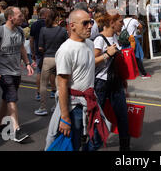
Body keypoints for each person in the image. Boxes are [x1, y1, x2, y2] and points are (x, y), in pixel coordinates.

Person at [45, 9, 114, 151]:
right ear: (72, 26)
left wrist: (107, 55)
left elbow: (88, 64)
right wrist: (65, 117)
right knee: (73, 144)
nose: (90, 26)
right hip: (73, 106)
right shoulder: (66, 50)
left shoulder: (89, 44)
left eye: (91, 22)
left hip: (90, 100)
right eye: (85, 23)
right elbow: (62, 84)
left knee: (101, 133)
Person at [0, 6, 34, 142]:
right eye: (19, 16)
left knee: (6, 98)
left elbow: (21, 48)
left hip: (15, 71)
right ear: (10, 17)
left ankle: (0, 126)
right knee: (12, 98)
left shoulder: (19, 31)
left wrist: (28, 64)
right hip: (2, 72)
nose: (22, 17)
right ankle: (16, 129)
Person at [93, 12, 131, 151]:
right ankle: (93, 144)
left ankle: (125, 147)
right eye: (120, 22)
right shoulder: (100, 39)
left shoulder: (115, 37)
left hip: (116, 82)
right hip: (101, 83)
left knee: (122, 115)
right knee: (98, 116)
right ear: (111, 23)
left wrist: (124, 80)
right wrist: (107, 54)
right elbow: (92, 61)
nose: (123, 24)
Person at [34, 9, 69, 116]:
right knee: (59, 85)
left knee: (43, 84)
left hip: (47, 59)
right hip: (59, 59)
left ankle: (43, 107)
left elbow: (40, 47)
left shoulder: (43, 30)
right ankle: (57, 106)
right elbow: (67, 45)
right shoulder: (62, 31)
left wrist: (46, 51)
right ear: (57, 18)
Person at [30, 8, 47, 101]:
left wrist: (32, 52)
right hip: (49, 51)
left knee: (39, 72)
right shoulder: (49, 24)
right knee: (53, 72)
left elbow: (31, 40)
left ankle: (38, 93)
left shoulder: (34, 25)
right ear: (45, 14)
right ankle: (53, 91)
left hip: (38, 51)